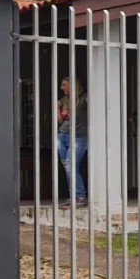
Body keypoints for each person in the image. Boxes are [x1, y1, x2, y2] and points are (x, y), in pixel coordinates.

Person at [58, 77, 88, 207]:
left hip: (78, 136)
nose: (61, 88)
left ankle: (81, 196)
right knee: (67, 167)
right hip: (62, 135)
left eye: (64, 85)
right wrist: (58, 109)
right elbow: (60, 121)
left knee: (70, 166)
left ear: (72, 86)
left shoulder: (83, 99)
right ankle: (73, 197)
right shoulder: (64, 100)